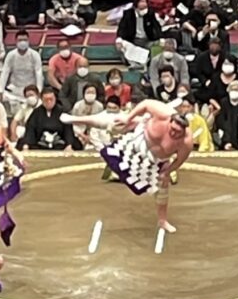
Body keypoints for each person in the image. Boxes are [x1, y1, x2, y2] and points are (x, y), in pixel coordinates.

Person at [60, 99, 193, 232]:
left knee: (163, 184)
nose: (174, 134)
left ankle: (162, 221)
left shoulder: (186, 142)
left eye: (178, 133)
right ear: (169, 122)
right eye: (173, 129)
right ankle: (76, 119)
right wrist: (129, 118)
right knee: (119, 121)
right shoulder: (163, 113)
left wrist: (168, 171)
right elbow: (145, 104)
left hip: (156, 159)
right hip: (140, 136)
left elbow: (179, 160)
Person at [0, 29, 43, 114]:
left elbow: (39, 73)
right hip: (15, 89)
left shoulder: (35, 55)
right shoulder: (11, 55)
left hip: (30, 90)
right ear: (15, 41)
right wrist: (0, 90)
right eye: (20, 40)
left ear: (28, 41)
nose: (22, 42)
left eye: (25, 40)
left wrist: (39, 91)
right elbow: (5, 72)